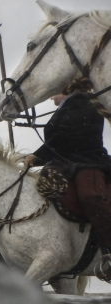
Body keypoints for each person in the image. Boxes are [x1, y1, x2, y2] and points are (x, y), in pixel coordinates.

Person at [24, 92, 111, 249]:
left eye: (53, 93)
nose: (50, 98)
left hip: (88, 161)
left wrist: (37, 156)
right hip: (66, 163)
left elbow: (65, 136)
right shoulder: (69, 105)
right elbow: (61, 140)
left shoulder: (83, 100)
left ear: (65, 89)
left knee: (91, 197)